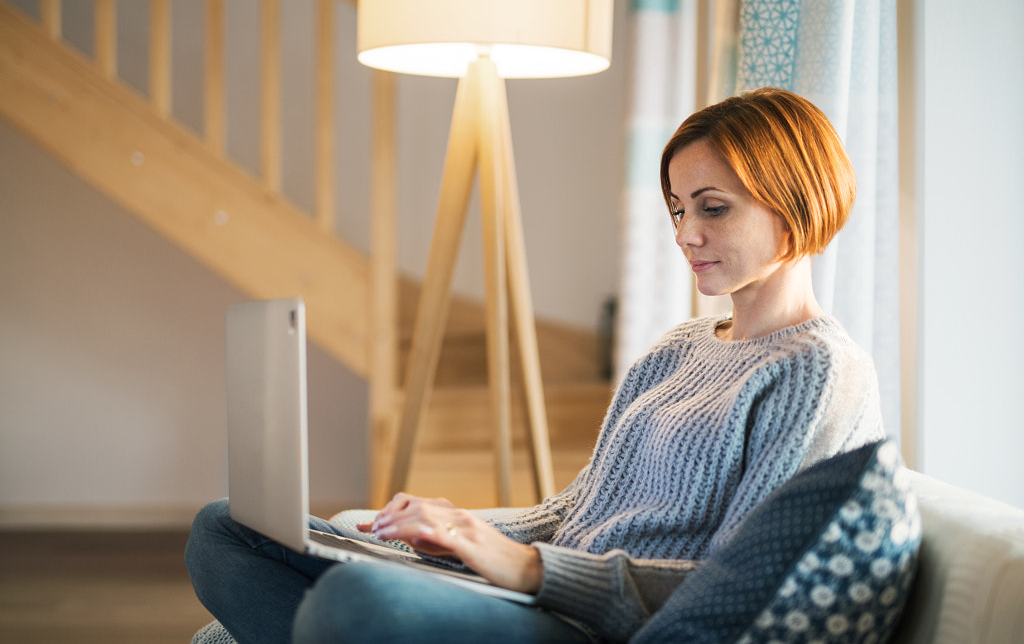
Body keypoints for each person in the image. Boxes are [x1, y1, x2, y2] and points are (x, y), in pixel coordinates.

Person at [186, 88, 885, 643]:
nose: (685, 234)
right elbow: (575, 511)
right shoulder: (679, 346)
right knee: (225, 529)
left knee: (351, 602)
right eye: (677, 208)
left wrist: (523, 568)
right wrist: (450, 534)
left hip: (591, 625)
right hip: (535, 593)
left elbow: (735, 587)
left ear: (794, 209)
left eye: (713, 208)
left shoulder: (818, 371)